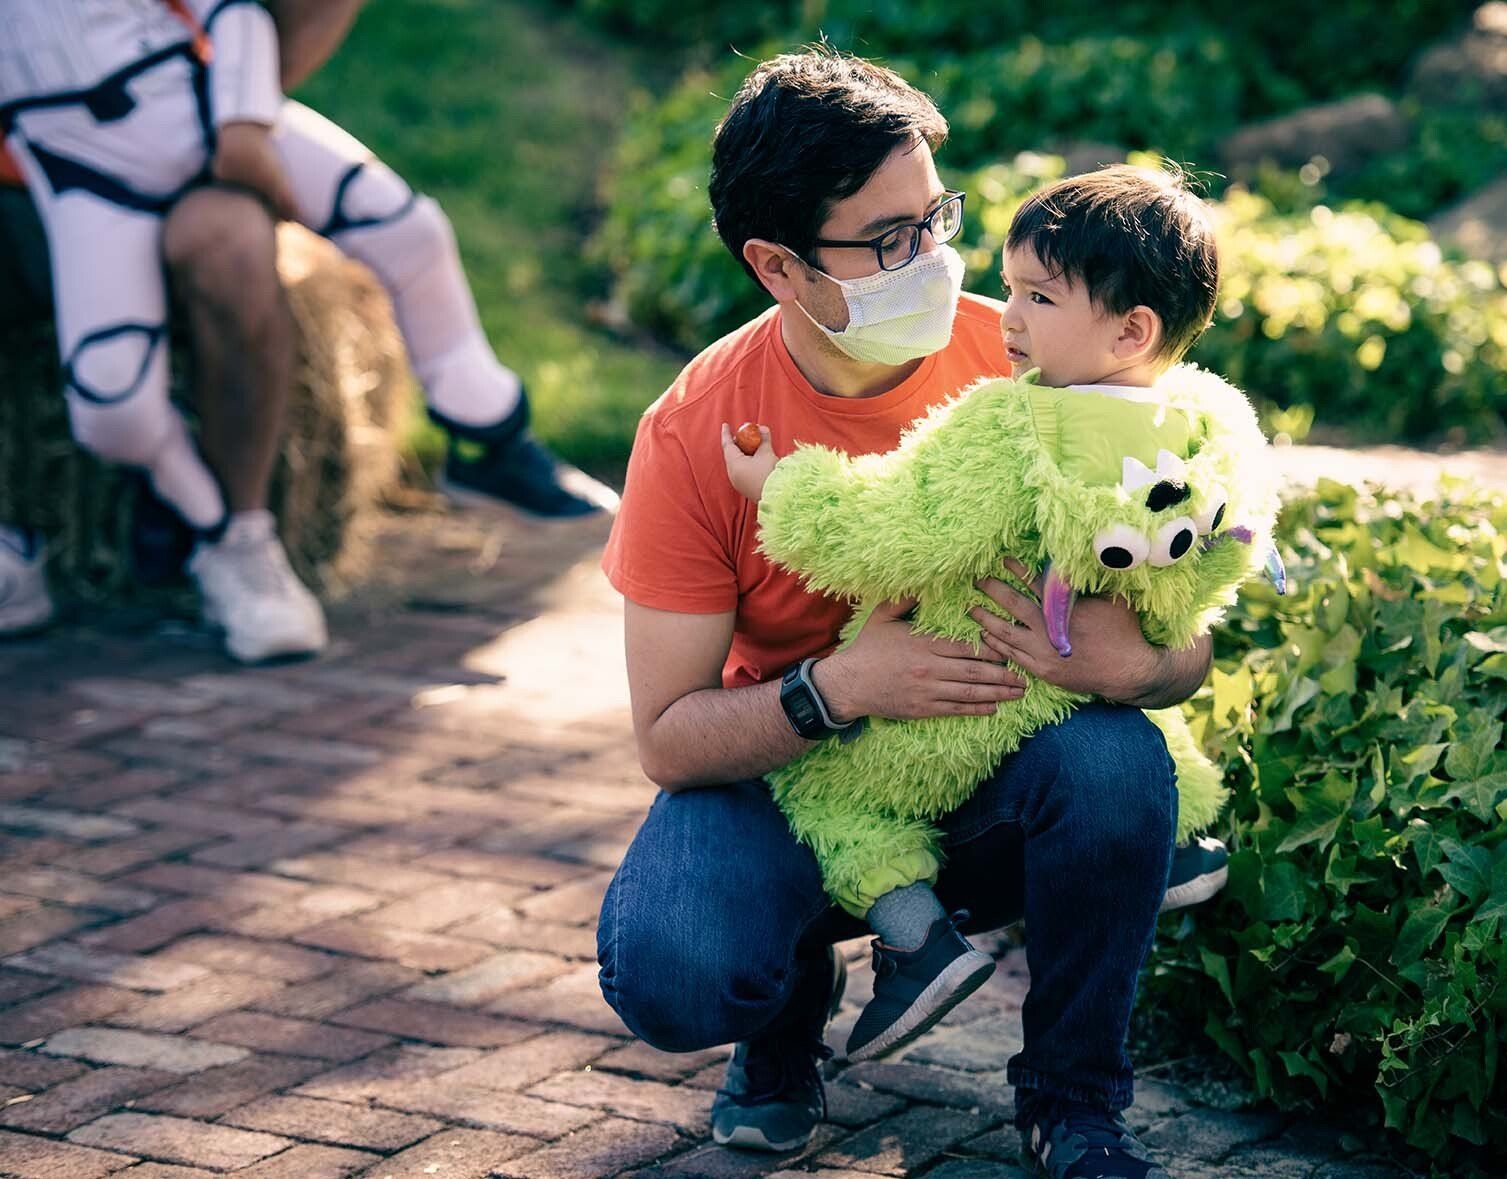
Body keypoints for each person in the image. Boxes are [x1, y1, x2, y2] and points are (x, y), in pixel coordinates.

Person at [595, 48, 1218, 1179]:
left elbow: (1188, 627)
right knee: (675, 969)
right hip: (798, 776)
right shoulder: (696, 433)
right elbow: (669, 740)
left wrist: (1141, 665)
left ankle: (1073, 1099)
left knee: (1120, 768)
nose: (931, 258)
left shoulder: (1032, 353)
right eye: (888, 240)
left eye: (935, 217)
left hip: (990, 750)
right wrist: (840, 688)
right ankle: (784, 1011)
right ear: (777, 265)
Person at [719, 161, 1251, 1074]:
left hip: (974, 695)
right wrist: (1143, 649)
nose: (1006, 318)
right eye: (1010, 289)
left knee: (822, 794)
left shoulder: (1012, 427)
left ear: (1131, 328)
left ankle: (915, 939)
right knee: (1138, 745)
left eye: (1037, 297)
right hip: (1078, 701)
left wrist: (782, 489)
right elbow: (1226, 560)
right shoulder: (1209, 422)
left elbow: (892, 535)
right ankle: (1176, 839)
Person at [0, 0, 617, 662]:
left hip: (189, 106)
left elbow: (233, 8)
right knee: (112, 410)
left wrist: (242, 125)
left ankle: (490, 433)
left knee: (409, 231)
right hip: (73, 168)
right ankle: (210, 527)